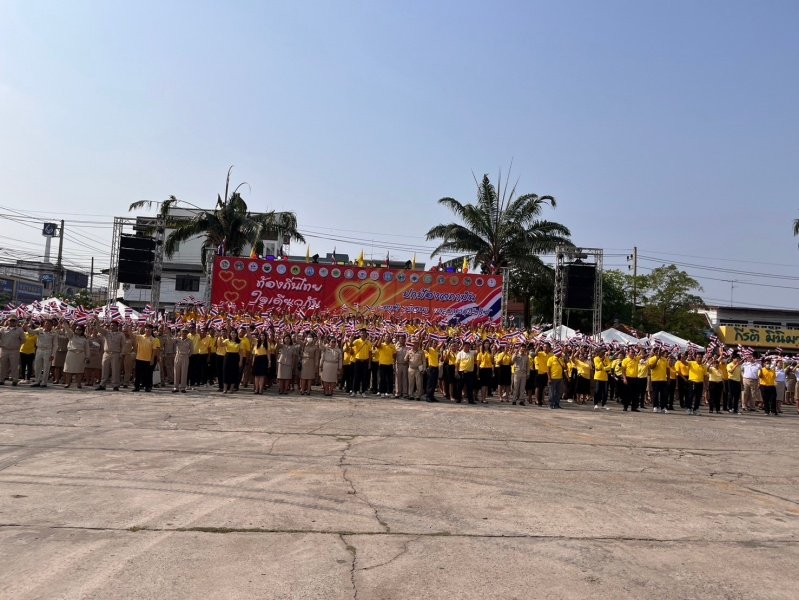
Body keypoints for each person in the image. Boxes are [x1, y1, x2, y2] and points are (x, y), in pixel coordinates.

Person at [95, 320, 125, 391]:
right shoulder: (106, 333)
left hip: (116, 353)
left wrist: (122, 353)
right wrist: (97, 321)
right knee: (104, 369)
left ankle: (115, 385)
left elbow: (123, 345)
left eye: (114, 325)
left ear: (117, 326)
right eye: (111, 325)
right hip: (106, 353)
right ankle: (102, 384)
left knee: (115, 370)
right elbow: (98, 329)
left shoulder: (121, 334)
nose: (112, 326)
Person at [62, 321, 90, 389]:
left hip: (80, 354)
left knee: (79, 370)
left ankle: (79, 383)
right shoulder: (71, 335)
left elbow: (87, 349)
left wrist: (87, 357)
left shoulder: (84, 339)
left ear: (82, 330)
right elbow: (67, 329)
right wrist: (64, 322)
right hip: (71, 354)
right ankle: (67, 383)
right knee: (69, 369)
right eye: (77, 329)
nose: (78, 330)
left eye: (79, 329)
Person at [133, 324, 160, 392]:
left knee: (148, 374)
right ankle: (137, 387)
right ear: (144, 329)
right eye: (146, 328)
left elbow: (154, 350)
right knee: (138, 374)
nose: (147, 330)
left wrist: (152, 359)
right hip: (139, 358)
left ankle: (148, 386)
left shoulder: (153, 339)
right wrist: (140, 327)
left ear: (152, 330)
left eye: (149, 329)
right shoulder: (140, 337)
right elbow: (132, 335)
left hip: (148, 359)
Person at [31, 319, 57, 387]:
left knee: (46, 367)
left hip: (48, 350)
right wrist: (27, 323)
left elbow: (55, 345)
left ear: (52, 325)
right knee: (37, 366)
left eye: (49, 324)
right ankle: (37, 381)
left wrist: (53, 354)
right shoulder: (39, 330)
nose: (47, 325)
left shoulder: (54, 333)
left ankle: (44, 382)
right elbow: (31, 332)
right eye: (46, 323)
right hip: (39, 349)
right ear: (44, 324)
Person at [0, 316, 25, 385]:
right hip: (4, 349)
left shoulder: (19, 330)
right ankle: (1, 380)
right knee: (2, 366)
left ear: (16, 322)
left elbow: (23, 340)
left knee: (14, 366)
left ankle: (15, 380)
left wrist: (17, 345)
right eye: (10, 320)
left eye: (14, 321)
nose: (12, 322)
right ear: (8, 321)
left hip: (14, 350)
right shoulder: (2, 329)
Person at [221, 329, 245, 394]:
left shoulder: (239, 342)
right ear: (230, 334)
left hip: (235, 357)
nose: (233, 334)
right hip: (227, 357)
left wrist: (240, 361)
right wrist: (220, 337)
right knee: (226, 372)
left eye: (234, 333)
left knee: (234, 372)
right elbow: (221, 345)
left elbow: (241, 353)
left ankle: (231, 389)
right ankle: (225, 389)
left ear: (236, 334)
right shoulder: (227, 340)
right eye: (232, 333)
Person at [350, 329, 372, 397]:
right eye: (361, 333)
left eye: (364, 333)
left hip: (365, 361)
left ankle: (363, 392)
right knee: (356, 377)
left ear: (366, 334)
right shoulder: (357, 341)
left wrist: (369, 363)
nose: (362, 334)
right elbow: (351, 345)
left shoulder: (368, 342)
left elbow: (370, 353)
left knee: (364, 377)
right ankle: (354, 391)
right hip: (358, 360)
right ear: (360, 334)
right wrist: (352, 337)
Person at [647, 348, 670, 413]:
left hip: (663, 379)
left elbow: (667, 369)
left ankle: (663, 407)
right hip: (655, 379)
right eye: (657, 351)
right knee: (655, 394)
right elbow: (652, 367)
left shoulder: (665, 359)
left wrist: (668, 378)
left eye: (659, 351)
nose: (658, 352)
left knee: (664, 395)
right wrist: (657, 359)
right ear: (654, 352)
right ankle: (655, 407)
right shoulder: (651, 359)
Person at [173, 328, 193, 393]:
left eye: (185, 332)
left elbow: (191, 350)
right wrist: (176, 336)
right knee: (176, 372)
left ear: (187, 333)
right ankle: (176, 387)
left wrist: (187, 355)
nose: (184, 333)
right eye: (183, 332)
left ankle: (183, 387)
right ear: (181, 332)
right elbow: (172, 342)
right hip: (178, 355)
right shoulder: (177, 339)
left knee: (184, 372)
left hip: (185, 356)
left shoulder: (189, 341)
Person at [376, 333, 396, 398]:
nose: (387, 338)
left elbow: (394, 355)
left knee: (390, 379)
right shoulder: (382, 345)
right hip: (382, 364)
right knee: (382, 379)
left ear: (390, 338)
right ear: (384, 338)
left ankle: (389, 392)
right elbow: (378, 345)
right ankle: (382, 392)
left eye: (388, 337)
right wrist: (381, 336)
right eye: (386, 337)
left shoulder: (392, 346)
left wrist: (394, 362)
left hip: (390, 364)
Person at [476, 340, 494, 404]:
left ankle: (484, 398)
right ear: (483, 344)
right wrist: (477, 372)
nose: (487, 344)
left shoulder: (490, 352)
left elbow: (492, 362)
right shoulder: (480, 353)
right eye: (486, 343)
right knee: (483, 385)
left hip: (489, 369)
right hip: (482, 369)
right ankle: (483, 398)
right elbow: (478, 363)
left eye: (488, 343)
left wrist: (493, 354)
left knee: (486, 385)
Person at [394, 334, 409, 399]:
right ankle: (398, 393)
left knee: (405, 379)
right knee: (398, 379)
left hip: (405, 365)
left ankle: (405, 393)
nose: (401, 340)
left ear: (405, 340)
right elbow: (394, 357)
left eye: (403, 339)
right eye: (400, 339)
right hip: (398, 364)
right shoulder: (396, 348)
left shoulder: (407, 348)